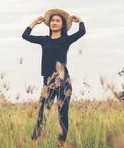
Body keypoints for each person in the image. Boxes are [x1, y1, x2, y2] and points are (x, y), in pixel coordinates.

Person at [21, 8, 86, 148]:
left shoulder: (66, 39)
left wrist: (79, 20)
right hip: (48, 81)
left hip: (63, 81)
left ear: (62, 25)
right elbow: (25, 36)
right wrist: (35, 22)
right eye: (52, 20)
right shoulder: (44, 40)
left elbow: (82, 32)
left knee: (62, 115)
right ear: (49, 24)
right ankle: (34, 143)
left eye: (58, 21)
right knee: (42, 113)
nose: (54, 22)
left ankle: (61, 145)